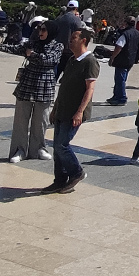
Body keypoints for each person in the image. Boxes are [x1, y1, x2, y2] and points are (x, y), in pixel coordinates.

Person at [42, 28, 99, 194]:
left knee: (62, 145)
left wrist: (80, 111)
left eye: (74, 37)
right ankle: (60, 180)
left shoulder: (90, 61)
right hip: (62, 109)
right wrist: (55, 108)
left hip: (74, 111)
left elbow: (90, 89)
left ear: (83, 40)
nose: (70, 40)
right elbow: (64, 86)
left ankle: (76, 172)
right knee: (57, 147)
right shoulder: (71, 60)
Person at [0, 19, 62, 162]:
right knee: (21, 120)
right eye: (39, 29)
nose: (40, 32)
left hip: (44, 86)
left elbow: (49, 60)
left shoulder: (57, 46)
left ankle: (39, 148)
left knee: (41, 120)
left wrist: (31, 55)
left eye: (44, 29)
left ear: (51, 31)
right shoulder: (32, 44)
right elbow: (15, 49)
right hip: (27, 84)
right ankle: (19, 150)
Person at [106, 18, 139, 106]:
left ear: (126, 23)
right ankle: (116, 96)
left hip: (123, 59)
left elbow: (119, 46)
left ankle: (121, 98)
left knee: (120, 79)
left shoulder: (125, 34)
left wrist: (112, 57)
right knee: (122, 78)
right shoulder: (137, 33)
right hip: (131, 58)